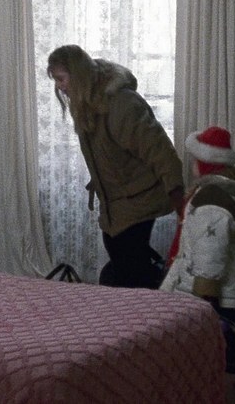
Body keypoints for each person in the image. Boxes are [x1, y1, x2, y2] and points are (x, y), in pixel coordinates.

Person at [46, 44, 184, 289]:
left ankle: (153, 303)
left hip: (140, 198)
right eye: (55, 79)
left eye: (61, 78)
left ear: (77, 75)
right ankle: (149, 297)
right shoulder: (87, 102)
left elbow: (161, 151)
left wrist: (179, 198)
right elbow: (105, 152)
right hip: (117, 200)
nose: (59, 86)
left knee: (128, 267)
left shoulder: (121, 104)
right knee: (124, 260)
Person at [158, 126, 235, 375]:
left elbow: (210, 252)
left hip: (215, 291)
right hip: (226, 289)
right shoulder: (217, 194)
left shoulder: (212, 201)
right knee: (226, 340)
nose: (192, 165)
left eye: (195, 160)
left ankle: (232, 372)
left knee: (209, 342)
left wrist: (205, 297)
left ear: (204, 164)